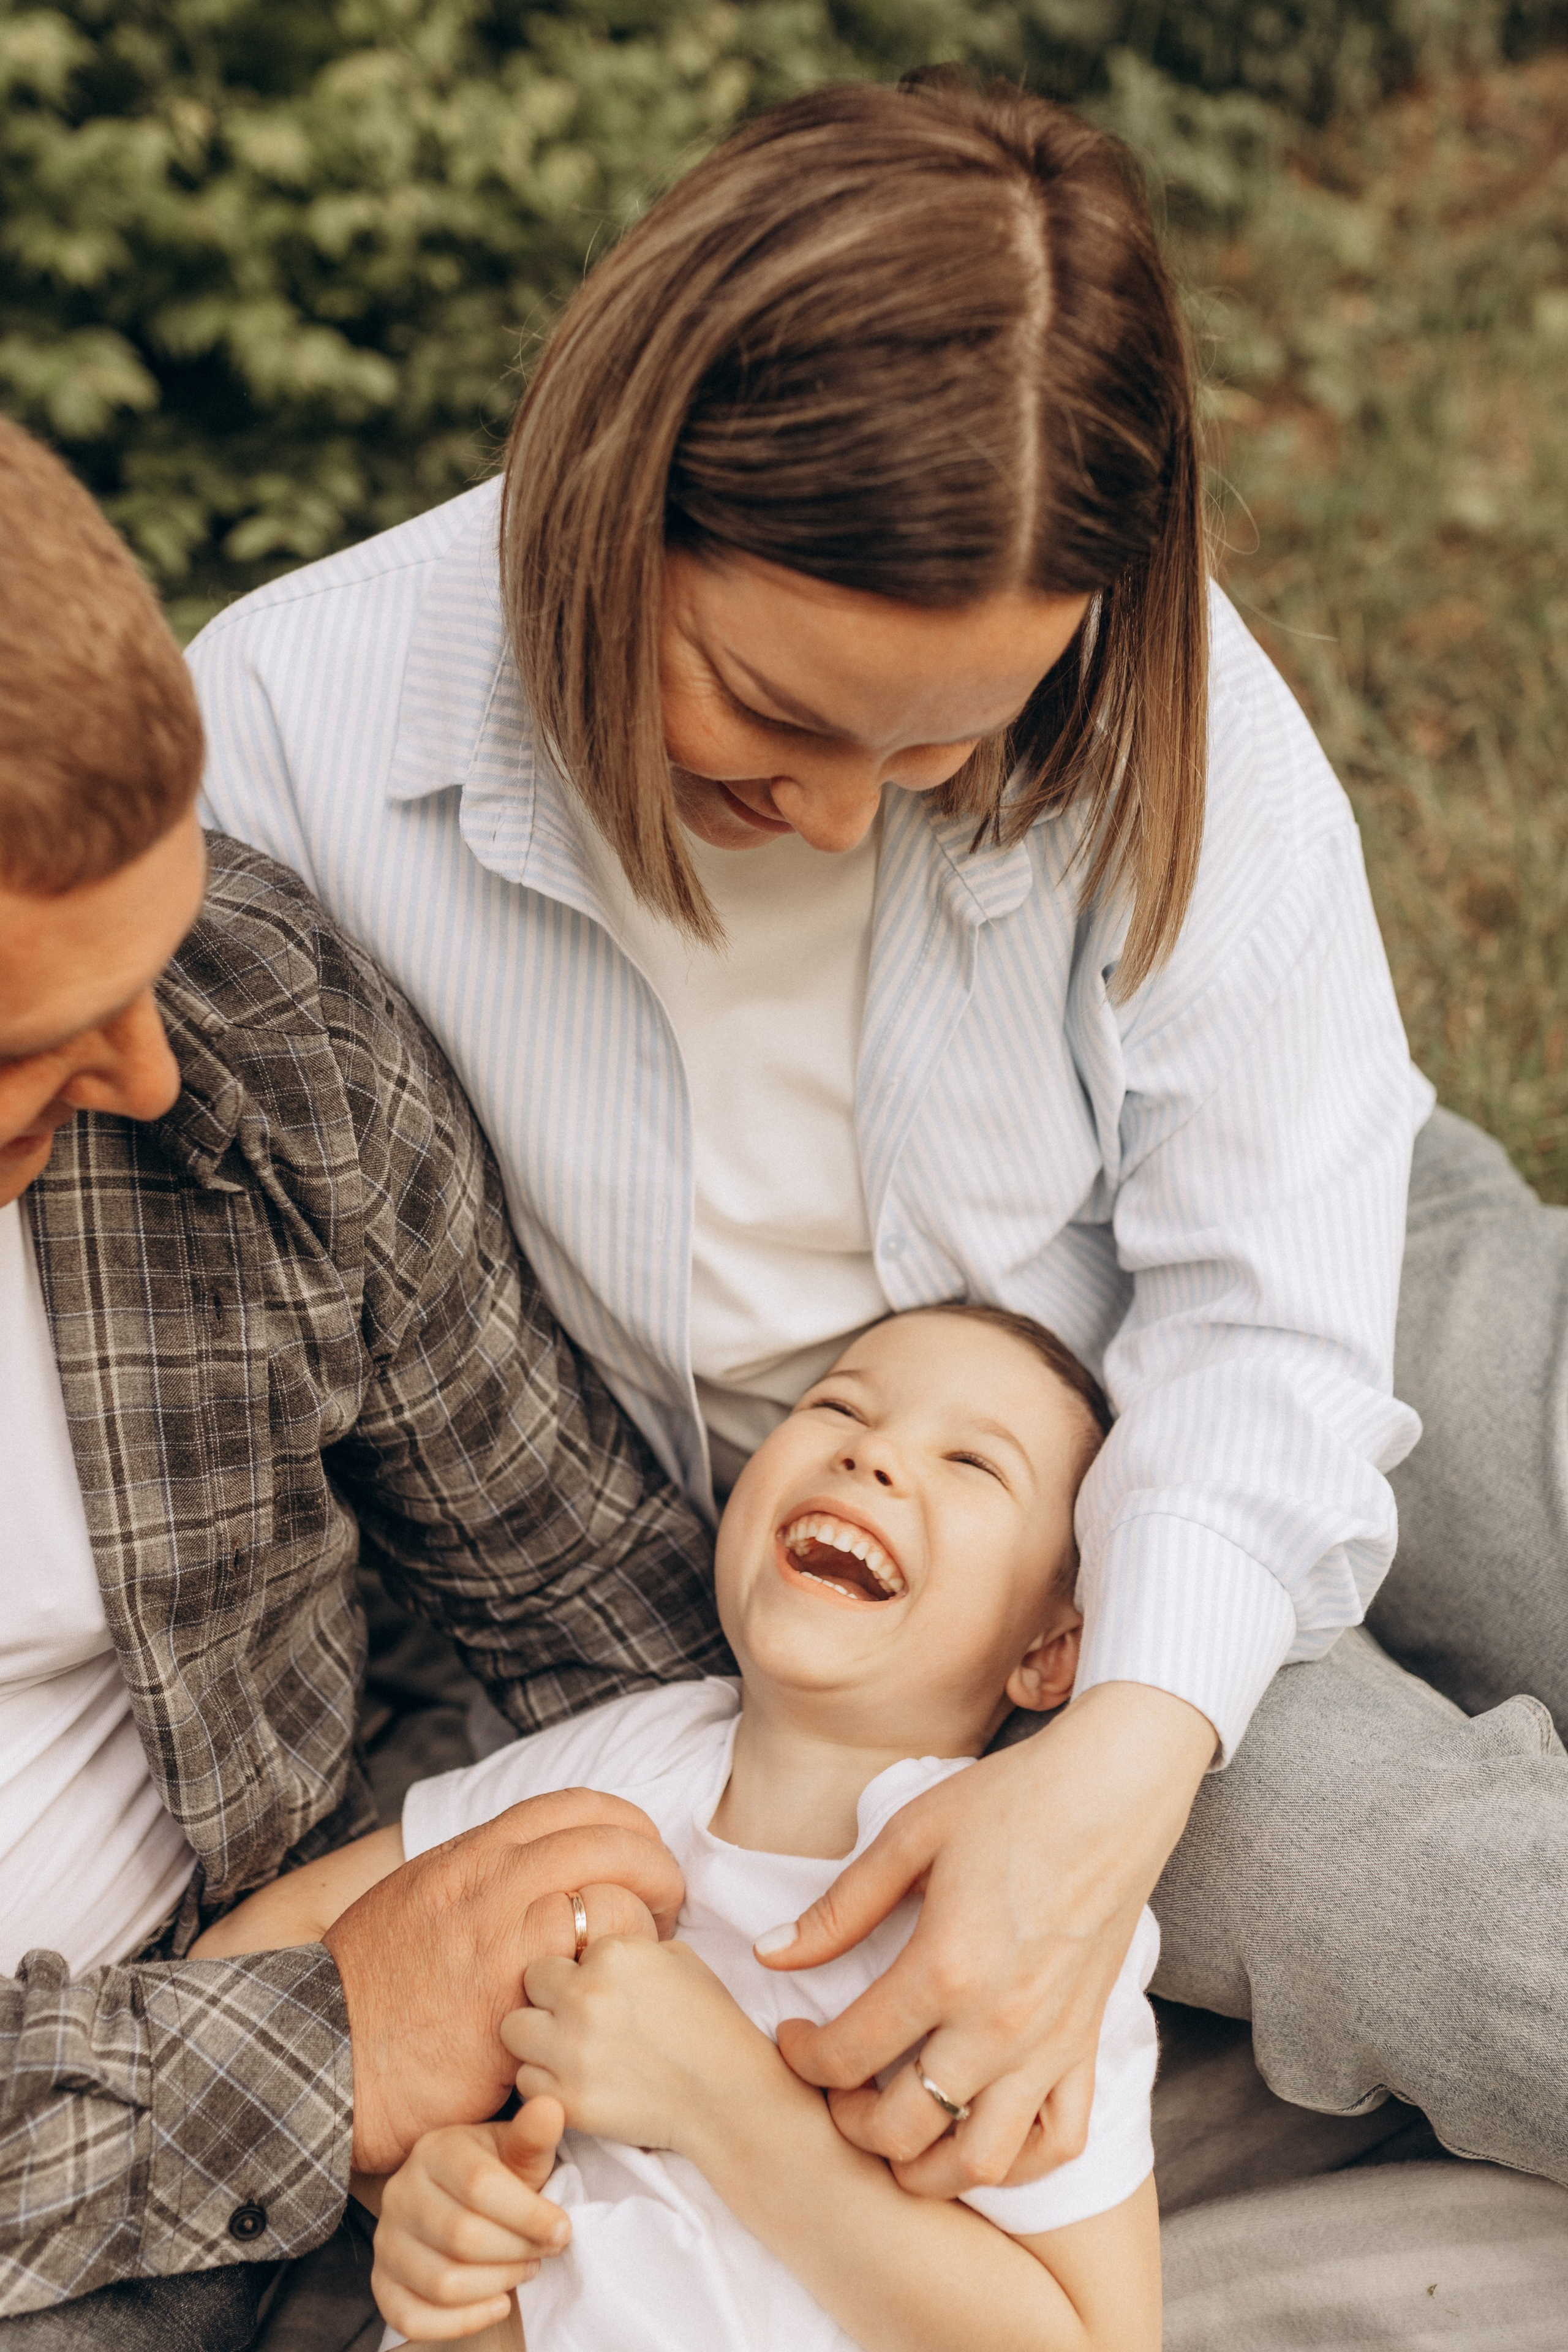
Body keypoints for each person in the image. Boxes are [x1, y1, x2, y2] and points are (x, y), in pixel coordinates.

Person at [189, 66, 1568, 2196]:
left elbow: (1275, 1320)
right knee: (1419, 1905)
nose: (841, 821)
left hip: (1305, 1253)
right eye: (770, 716)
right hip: (925, 1582)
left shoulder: (1162, 687)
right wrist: (1092, 1752)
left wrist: (1135, 1753)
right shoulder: (290, 744)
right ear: (608, 493)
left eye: (943, 748)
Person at [0, 417, 734, 2344]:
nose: (152, 1076)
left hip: (351, 2002)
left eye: (153, 954)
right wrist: (315, 2043)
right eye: (32, 1038)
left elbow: (593, 1605)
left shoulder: (246, 1020)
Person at [194, 1304, 1163, 2352]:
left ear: (1049, 1654)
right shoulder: (636, 1757)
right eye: (836, 1407)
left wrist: (720, 2098)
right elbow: (255, 1957)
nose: (871, 1453)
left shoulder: (1023, 1909)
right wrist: (418, 2186)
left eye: (973, 1462)